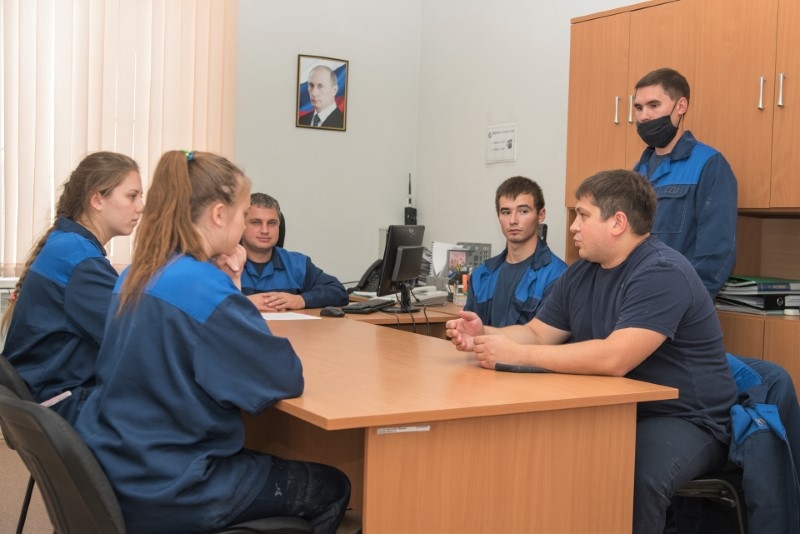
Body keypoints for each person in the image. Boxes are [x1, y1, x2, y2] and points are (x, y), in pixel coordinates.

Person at [446, 169, 737, 534]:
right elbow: (537, 333)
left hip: (686, 418)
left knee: (627, 475)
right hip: (617, 407)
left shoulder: (662, 272)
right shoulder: (582, 272)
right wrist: (484, 334)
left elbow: (614, 358)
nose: (573, 227)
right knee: (540, 452)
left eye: (582, 215)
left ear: (617, 222)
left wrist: (517, 355)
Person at [74, 151, 350, 534]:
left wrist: (230, 287)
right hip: (173, 484)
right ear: (219, 215)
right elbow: (284, 376)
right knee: (333, 486)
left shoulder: (138, 273)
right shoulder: (204, 288)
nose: (246, 225)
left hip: (115, 465)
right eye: (244, 214)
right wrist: (231, 289)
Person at [1, 151, 143, 424]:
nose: (140, 207)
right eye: (132, 196)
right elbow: (132, 336)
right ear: (97, 199)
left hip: (46, 398)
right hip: (63, 404)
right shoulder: (80, 260)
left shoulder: (68, 246)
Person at [632, 67, 738, 298]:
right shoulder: (637, 172)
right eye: (638, 107)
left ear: (680, 106)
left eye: (653, 105)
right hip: (637, 298)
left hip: (680, 303)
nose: (643, 116)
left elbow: (717, 250)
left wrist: (688, 302)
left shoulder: (709, 164)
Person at [464, 176, 567, 326]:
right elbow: (469, 330)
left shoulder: (558, 276)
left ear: (541, 215)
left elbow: (543, 336)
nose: (513, 220)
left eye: (523, 211)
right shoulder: (481, 275)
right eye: (506, 212)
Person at [240, 193, 348, 311]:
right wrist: (244, 302)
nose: (265, 230)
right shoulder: (225, 264)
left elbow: (338, 292)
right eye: (256, 222)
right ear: (240, 225)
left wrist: (301, 300)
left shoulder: (297, 264)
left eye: (272, 223)